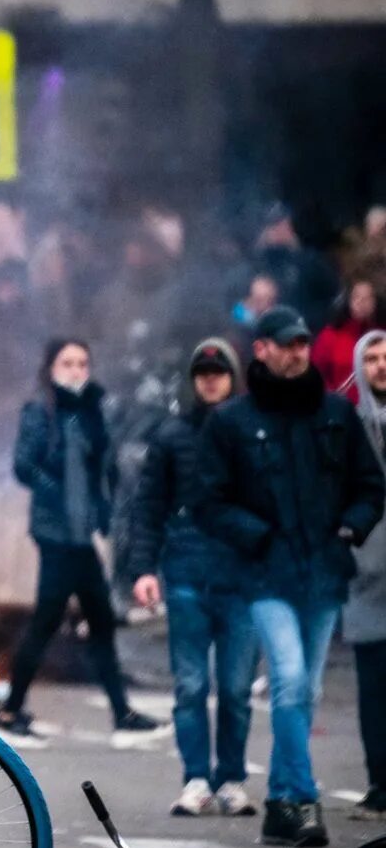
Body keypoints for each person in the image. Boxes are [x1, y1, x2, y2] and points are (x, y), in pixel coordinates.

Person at [195, 306, 385, 847]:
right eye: (288, 343)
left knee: (305, 689)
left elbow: (370, 486)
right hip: (264, 574)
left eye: (304, 342)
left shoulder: (334, 415)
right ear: (263, 350)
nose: (299, 351)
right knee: (291, 680)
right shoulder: (232, 422)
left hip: (323, 574)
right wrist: (256, 536)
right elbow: (208, 501)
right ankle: (303, 799)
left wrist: (351, 528)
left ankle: (280, 803)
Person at [119, 339, 258, 816]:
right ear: (193, 379)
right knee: (192, 686)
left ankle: (232, 779)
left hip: (242, 577)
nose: (211, 378)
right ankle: (197, 778)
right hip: (186, 575)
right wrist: (142, 569)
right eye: (202, 372)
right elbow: (148, 506)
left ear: (232, 376)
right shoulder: (172, 436)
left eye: (219, 372)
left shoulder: (253, 431)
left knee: (237, 689)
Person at [0, 339, 162, 745]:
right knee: (49, 621)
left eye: (82, 363)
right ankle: (13, 707)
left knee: (99, 621)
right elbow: (23, 464)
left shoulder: (92, 410)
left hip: (81, 533)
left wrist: (102, 512)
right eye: (67, 362)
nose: (75, 370)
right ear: (51, 367)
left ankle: (119, 713)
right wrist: (53, 490)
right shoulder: (41, 410)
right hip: (55, 533)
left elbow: (102, 468)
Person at [348, 328, 386, 818]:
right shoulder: (348, 424)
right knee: (373, 686)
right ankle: (379, 780)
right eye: (372, 358)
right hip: (365, 572)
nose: (381, 366)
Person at [313, 271, 378, 398]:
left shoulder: (381, 335)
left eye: (367, 298)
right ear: (348, 300)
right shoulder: (330, 336)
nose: (361, 303)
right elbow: (317, 375)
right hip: (344, 409)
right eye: (356, 297)